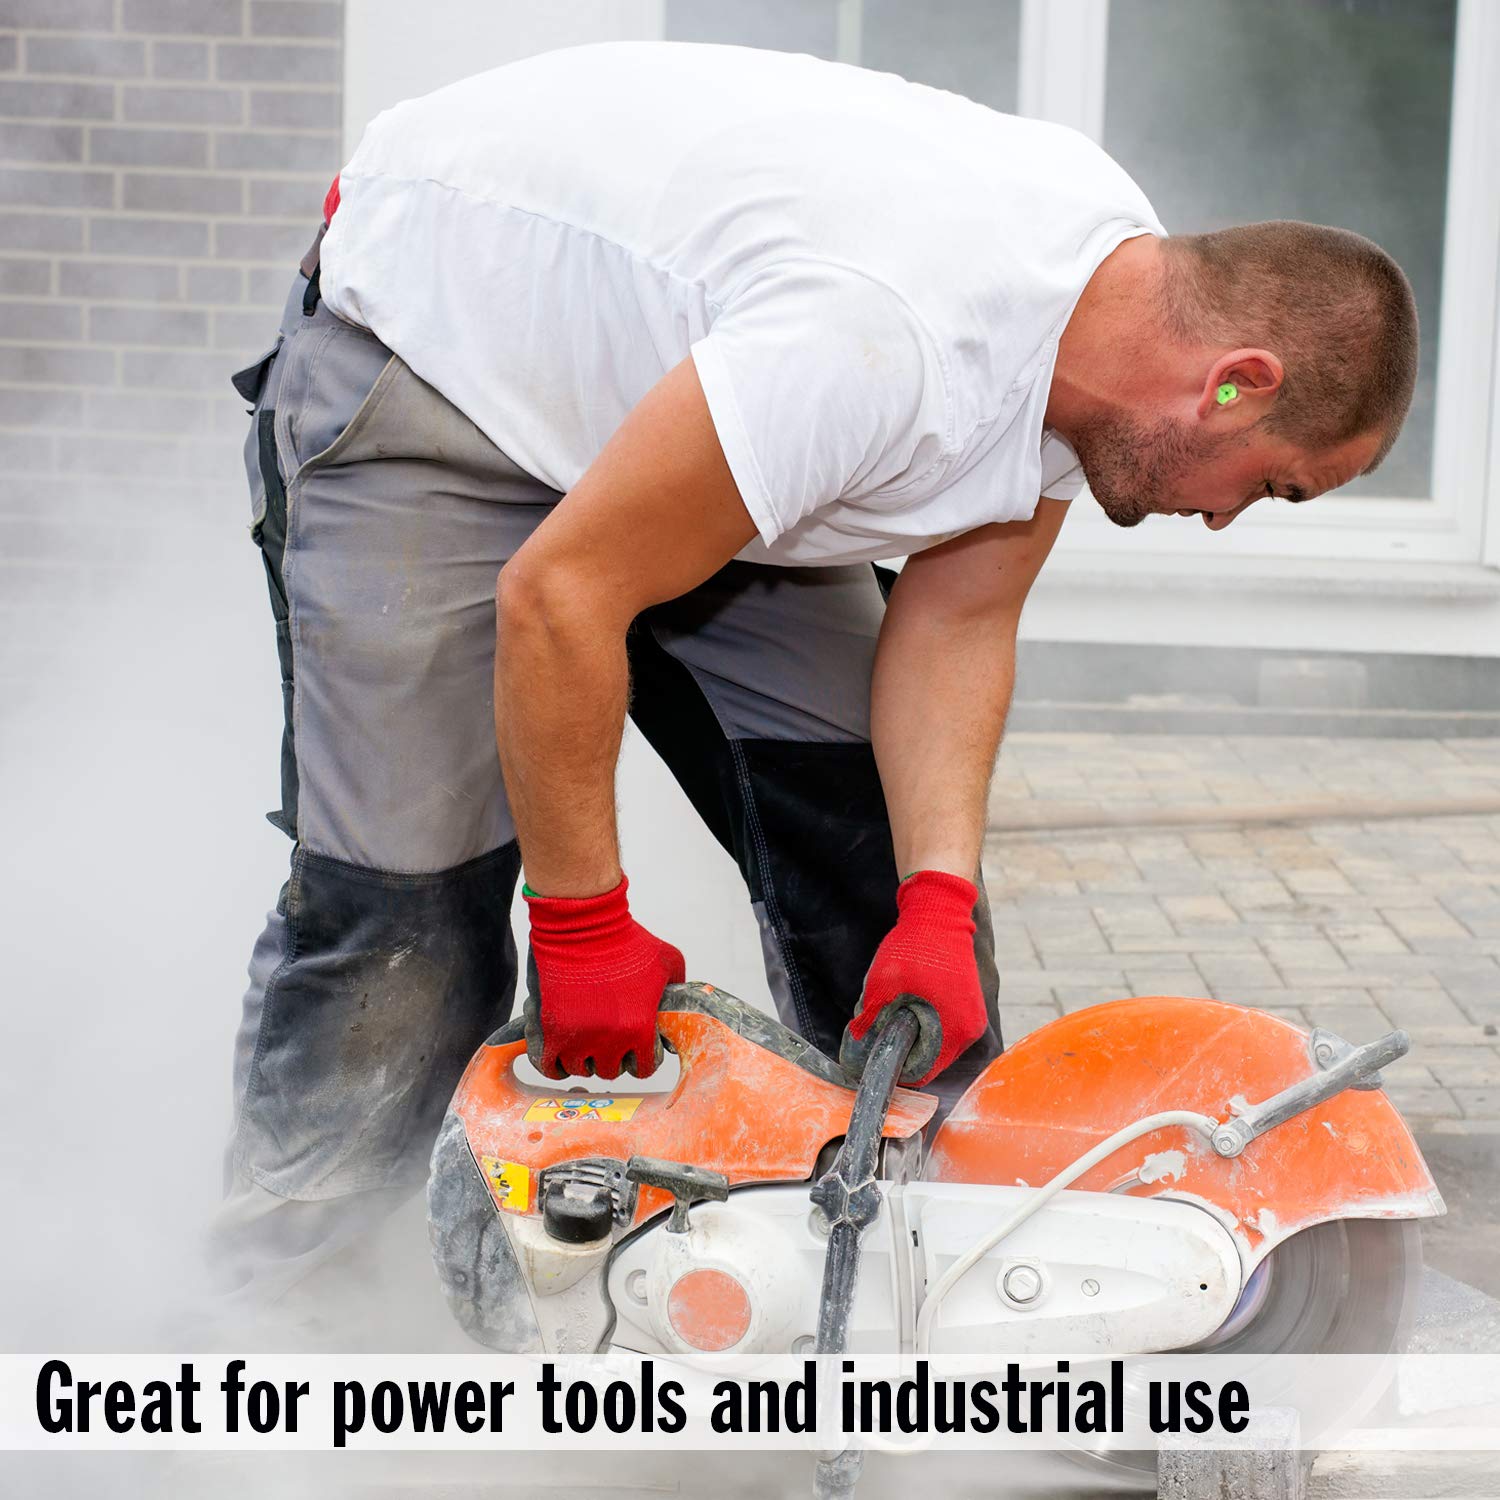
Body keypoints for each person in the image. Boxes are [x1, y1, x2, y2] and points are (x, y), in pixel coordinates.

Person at [214, 40, 1418, 1311]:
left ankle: (908, 1290)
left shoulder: (1111, 348)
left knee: (877, 868)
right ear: (1235, 384)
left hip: (710, 410)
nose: (1229, 518)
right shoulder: (889, 339)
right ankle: (285, 1322)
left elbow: (959, 620)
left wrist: (936, 903)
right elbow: (562, 599)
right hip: (441, 365)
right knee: (406, 926)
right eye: (1272, 485)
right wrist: (581, 925)